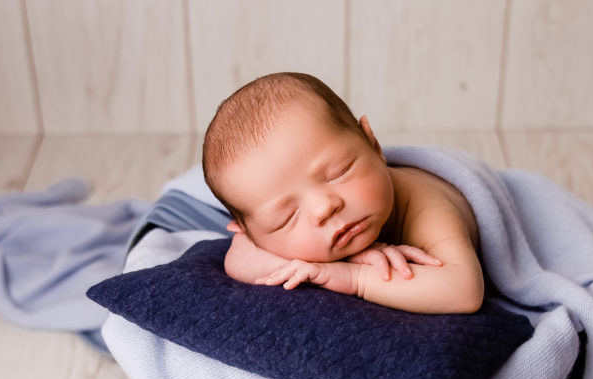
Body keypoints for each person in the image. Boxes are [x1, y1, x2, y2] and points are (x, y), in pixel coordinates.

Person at [201, 72, 484, 314]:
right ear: (248, 232)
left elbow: (463, 290)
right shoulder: (258, 231)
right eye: (287, 217)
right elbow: (238, 259)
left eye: (338, 173)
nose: (324, 208)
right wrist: (352, 255)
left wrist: (352, 276)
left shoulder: (426, 207)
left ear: (373, 144)